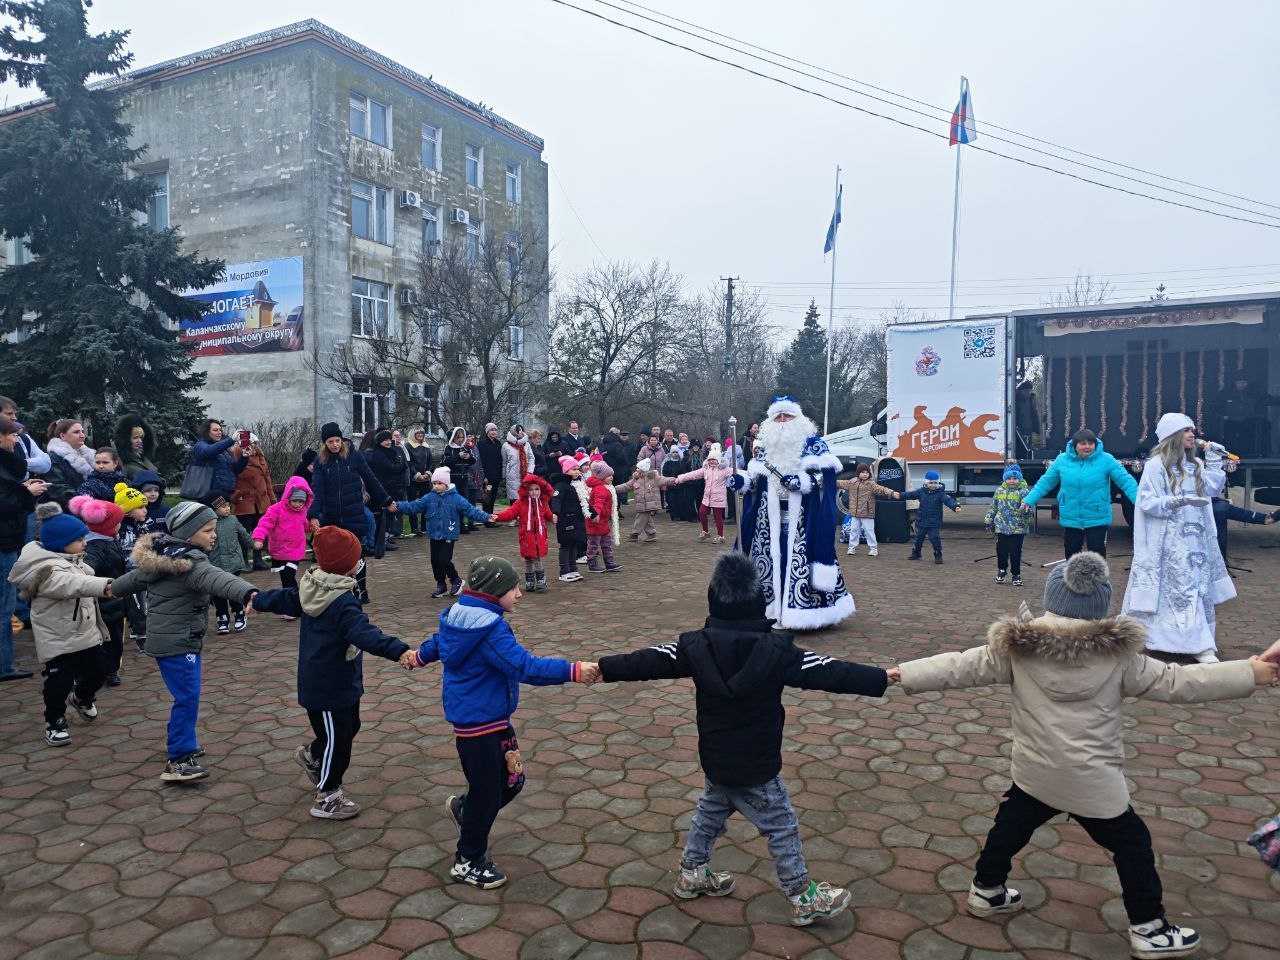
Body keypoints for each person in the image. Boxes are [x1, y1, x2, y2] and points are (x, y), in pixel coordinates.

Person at [894, 550, 1274, 960]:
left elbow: (960, 666)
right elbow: (1180, 681)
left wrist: (905, 673)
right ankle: (1149, 928)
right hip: (1094, 782)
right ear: (1100, 609)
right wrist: (1248, 672)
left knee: (1010, 826)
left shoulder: (1016, 647)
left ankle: (987, 890)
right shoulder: (1121, 657)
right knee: (1132, 845)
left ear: (1051, 601)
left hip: (1036, 772)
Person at [595, 552, 887, 926]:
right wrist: (881, 677)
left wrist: (602, 668)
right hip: (757, 762)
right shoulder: (778, 651)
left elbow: (646, 660)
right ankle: (801, 895)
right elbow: (831, 671)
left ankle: (692, 872)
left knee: (712, 809)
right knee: (780, 824)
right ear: (757, 602)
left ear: (714, 602)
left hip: (717, 755)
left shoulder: (693, 646)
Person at [403, 555, 598, 888]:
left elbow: (439, 642)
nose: (519, 594)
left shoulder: (456, 617)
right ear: (494, 592)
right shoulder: (490, 631)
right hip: (477, 725)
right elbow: (525, 667)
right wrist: (573, 671)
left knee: (511, 781)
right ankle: (467, 860)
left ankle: (468, 811)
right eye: (513, 588)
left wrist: (420, 656)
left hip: (492, 719)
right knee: (489, 792)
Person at [252, 525, 412, 820]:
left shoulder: (313, 585)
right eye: (357, 556)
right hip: (328, 685)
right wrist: (399, 650)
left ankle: (313, 755)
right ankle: (327, 795)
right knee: (339, 741)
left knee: (347, 729)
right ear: (346, 565)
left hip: (337, 681)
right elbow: (363, 633)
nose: (360, 560)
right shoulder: (342, 601)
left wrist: (258, 601)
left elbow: (284, 598)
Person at [110, 501, 259, 782]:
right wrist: (249, 592)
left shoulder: (164, 554)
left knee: (187, 694)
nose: (213, 535)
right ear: (187, 534)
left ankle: (182, 743)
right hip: (177, 642)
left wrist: (113, 588)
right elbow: (219, 579)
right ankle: (178, 759)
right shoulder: (191, 563)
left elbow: (135, 578)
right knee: (187, 697)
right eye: (207, 530)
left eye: (214, 529)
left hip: (172, 639)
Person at [728, 396, 852, 630]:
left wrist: (801, 483)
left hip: (804, 521)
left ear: (798, 418)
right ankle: (769, 610)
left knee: (798, 563)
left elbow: (826, 479)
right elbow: (755, 481)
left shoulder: (813, 445)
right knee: (771, 562)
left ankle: (806, 614)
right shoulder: (765, 448)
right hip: (768, 521)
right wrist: (741, 481)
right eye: (778, 416)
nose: (783, 421)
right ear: (771, 421)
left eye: (788, 416)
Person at [1122, 413, 1233, 663]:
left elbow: (1212, 488)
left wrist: (1214, 460)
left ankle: (1200, 640)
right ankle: (1168, 639)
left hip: (1196, 539)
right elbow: (1147, 502)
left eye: (1192, 430)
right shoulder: (1155, 465)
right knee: (1178, 587)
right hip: (1169, 541)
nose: (1192, 435)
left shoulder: (1195, 465)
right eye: (1185, 431)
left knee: (1196, 584)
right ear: (1172, 435)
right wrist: (1178, 501)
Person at [8, 510, 114, 747]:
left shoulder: (73, 560)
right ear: (61, 544)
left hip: (85, 634)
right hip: (58, 638)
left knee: (98, 672)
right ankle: (54, 721)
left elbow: (84, 575)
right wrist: (106, 585)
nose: (84, 543)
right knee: (58, 684)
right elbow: (72, 584)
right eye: (79, 540)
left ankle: (82, 698)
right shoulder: (46, 571)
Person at [1021, 428, 1138, 559]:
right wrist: (1028, 500)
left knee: (1097, 553)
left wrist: (1140, 502)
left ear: (1096, 444)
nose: (1087, 447)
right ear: (1075, 445)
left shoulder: (1107, 459)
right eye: (1083, 444)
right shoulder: (1061, 460)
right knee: (1071, 552)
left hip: (1097, 514)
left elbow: (1126, 481)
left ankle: (1098, 580)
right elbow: (1045, 483)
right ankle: (1072, 579)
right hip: (1071, 514)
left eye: (1091, 443)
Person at [308, 423, 389, 605]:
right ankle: (346, 590)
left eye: (337, 440)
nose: (335, 445)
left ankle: (362, 589)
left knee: (357, 554)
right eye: (330, 441)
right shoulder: (320, 461)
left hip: (353, 512)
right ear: (325, 443)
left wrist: (387, 500)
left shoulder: (354, 456)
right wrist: (313, 514)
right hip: (332, 515)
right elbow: (317, 489)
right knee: (339, 556)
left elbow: (371, 479)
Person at [391, 467, 491, 598]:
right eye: (434, 483)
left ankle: (456, 580)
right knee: (435, 561)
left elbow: (471, 510)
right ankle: (441, 585)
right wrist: (398, 505)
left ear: (447, 484)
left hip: (448, 534)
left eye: (439, 483)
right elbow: (414, 506)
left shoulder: (456, 499)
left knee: (444, 560)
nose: (436, 486)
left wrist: (486, 517)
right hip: (434, 534)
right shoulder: (429, 497)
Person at [0, 415, 46, 680]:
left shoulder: (9, 464)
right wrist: (26, 493)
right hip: (4, 541)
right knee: (4, 606)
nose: (17, 440)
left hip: (8, 538)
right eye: (12, 435)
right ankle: (4, 666)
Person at [69, 495, 127, 687]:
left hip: (113, 601)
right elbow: (87, 570)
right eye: (118, 522)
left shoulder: (109, 540)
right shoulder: (96, 546)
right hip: (103, 601)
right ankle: (101, 671)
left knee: (114, 639)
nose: (120, 525)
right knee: (106, 640)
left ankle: (110, 670)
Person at [491, 474, 555, 592]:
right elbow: (511, 513)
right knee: (528, 559)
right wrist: (498, 516)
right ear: (526, 490)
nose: (534, 492)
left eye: (536, 489)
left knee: (536, 558)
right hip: (526, 536)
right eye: (531, 489)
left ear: (541, 490)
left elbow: (547, 513)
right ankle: (530, 580)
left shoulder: (543, 502)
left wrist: (552, 518)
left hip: (539, 536)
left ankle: (540, 580)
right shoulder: (521, 503)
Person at [253, 476, 313, 597]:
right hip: (279, 550)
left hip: (295, 550)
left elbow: (304, 524)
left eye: (301, 501)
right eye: (295, 501)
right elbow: (265, 523)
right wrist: (259, 538)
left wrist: (311, 527)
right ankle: (288, 601)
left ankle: (294, 601)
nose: (298, 504)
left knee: (289, 575)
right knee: (285, 578)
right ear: (288, 497)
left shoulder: (303, 511)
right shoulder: (276, 509)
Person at [114, 483, 152, 652]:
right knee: (137, 606)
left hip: (145, 570)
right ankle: (141, 635)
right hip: (129, 573)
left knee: (146, 604)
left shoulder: (143, 525)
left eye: (145, 506)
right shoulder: (120, 530)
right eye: (140, 507)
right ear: (128, 511)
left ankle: (145, 631)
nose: (145, 510)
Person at [675, 444, 738, 544]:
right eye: (710, 459)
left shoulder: (725, 470)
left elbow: (738, 472)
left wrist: (752, 473)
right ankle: (705, 531)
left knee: (717, 517)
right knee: (702, 512)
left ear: (719, 460)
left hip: (719, 498)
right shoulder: (705, 469)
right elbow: (693, 474)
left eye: (714, 459)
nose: (711, 461)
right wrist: (680, 478)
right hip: (707, 497)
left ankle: (720, 536)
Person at [836, 462, 901, 557]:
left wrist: (892, 493)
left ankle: (873, 548)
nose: (865, 474)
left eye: (867, 472)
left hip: (867, 513)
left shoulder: (871, 484)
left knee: (869, 531)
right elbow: (841, 483)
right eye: (862, 472)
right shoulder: (852, 482)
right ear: (858, 473)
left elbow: (881, 489)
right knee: (854, 530)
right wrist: (829, 480)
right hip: (855, 513)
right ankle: (852, 547)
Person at [207, 496, 252, 636]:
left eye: (228, 505)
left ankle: (239, 613)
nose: (227, 509)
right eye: (223, 506)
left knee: (233, 589)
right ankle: (222, 617)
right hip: (216, 563)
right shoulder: (208, 524)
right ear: (214, 509)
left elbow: (243, 535)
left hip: (233, 563)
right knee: (218, 592)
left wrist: (254, 544)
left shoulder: (233, 520)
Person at [231, 435, 275, 570]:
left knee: (259, 532)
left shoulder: (260, 457)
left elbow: (267, 480)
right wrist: (235, 495)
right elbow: (231, 477)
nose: (254, 446)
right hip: (244, 502)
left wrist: (272, 499)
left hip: (261, 502)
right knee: (243, 533)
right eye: (251, 443)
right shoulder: (237, 457)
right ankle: (243, 561)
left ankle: (258, 560)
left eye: (255, 443)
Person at [1214, 369, 1278, 458]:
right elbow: (1216, 406)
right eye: (1239, 382)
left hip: (1251, 422)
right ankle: (1227, 453)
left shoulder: (1256, 392)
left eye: (1244, 382)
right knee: (1224, 428)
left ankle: (1264, 452)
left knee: (1265, 424)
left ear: (1248, 383)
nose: (1241, 384)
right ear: (1235, 382)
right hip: (1232, 422)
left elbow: (1269, 400)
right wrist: (1223, 416)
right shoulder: (1225, 393)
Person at [984, 465, 1031, 586]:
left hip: (1018, 528)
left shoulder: (1024, 491)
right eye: (1009, 478)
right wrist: (989, 519)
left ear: (1020, 479)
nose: (1012, 481)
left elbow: (1029, 510)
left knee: (1015, 552)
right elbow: (993, 506)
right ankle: (1002, 570)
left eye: (1015, 478)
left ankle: (1016, 574)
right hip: (1001, 527)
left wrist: (1025, 511)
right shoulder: (999, 491)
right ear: (1005, 479)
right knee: (1002, 551)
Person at [364, 429, 408, 557]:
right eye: (385, 440)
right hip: (381, 488)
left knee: (389, 515)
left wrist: (401, 467)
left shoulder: (393, 451)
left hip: (392, 487)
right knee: (380, 515)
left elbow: (401, 465)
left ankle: (385, 539)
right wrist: (400, 467)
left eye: (389, 439)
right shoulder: (375, 453)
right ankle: (379, 541)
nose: (388, 442)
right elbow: (389, 468)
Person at [902, 471, 960, 563]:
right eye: (931, 483)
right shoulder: (921, 492)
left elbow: (948, 500)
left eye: (935, 483)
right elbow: (910, 495)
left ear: (938, 483)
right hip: (921, 521)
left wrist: (955, 506)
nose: (933, 485)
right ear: (926, 483)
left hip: (934, 522)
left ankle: (938, 554)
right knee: (918, 539)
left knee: (934, 539)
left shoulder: (940, 493)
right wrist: (900, 495)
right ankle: (916, 552)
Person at [548, 456, 590, 581]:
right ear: (566, 472)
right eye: (573, 469)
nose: (577, 471)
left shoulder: (575, 485)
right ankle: (564, 571)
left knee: (574, 544)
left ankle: (573, 569)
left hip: (576, 519)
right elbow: (556, 499)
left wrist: (592, 513)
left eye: (578, 469)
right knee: (565, 545)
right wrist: (555, 513)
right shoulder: (561, 486)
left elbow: (584, 501)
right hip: (565, 519)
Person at [616, 457, 674, 543]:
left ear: (643, 469)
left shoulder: (654, 478)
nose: (636, 469)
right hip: (641, 504)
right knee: (646, 519)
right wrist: (614, 489)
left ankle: (634, 534)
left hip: (651, 503)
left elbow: (665, 480)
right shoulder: (636, 479)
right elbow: (626, 486)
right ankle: (651, 534)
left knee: (640, 518)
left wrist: (675, 480)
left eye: (638, 468)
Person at [191, 419, 249, 503]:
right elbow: (208, 451)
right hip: (208, 494)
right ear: (207, 432)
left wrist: (244, 457)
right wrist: (231, 440)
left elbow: (235, 470)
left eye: (220, 430)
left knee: (224, 516)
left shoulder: (225, 450)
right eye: (215, 430)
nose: (219, 432)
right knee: (214, 516)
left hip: (226, 494)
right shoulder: (200, 445)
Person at [44, 419, 94, 505]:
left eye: (82, 431)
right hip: (71, 507)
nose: (82, 435)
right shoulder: (53, 458)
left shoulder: (88, 454)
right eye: (76, 432)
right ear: (62, 436)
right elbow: (59, 488)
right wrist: (86, 503)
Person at [585, 462, 622, 573]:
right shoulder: (600, 489)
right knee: (593, 544)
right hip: (595, 522)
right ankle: (592, 563)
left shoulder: (605, 487)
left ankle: (609, 562)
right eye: (608, 475)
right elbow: (598, 503)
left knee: (606, 542)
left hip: (603, 521)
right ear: (601, 477)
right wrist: (596, 514)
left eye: (611, 475)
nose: (611, 477)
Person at [0, 397, 51, 476]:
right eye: (9, 414)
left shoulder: (23, 438)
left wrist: (19, 463)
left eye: (14, 414)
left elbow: (46, 464)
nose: (14, 418)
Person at [112, 413, 159, 482]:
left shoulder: (143, 459)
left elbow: (160, 477)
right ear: (126, 440)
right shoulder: (120, 462)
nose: (139, 441)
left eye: (141, 437)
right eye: (135, 438)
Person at [405, 428, 434, 537]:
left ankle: (425, 526)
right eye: (418, 433)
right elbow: (409, 463)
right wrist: (417, 475)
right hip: (413, 480)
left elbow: (431, 462)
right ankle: (414, 528)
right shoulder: (408, 446)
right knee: (413, 503)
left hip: (425, 479)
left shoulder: (426, 446)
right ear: (413, 434)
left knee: (426, 502)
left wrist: (427, 473)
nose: (421, 435)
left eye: (422, 433)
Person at [501, 425, 535, 503]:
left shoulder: (526, 444)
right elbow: (504, 462)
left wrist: (530, 471)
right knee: (514, 501)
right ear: (514, 431)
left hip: (525, 475)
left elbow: (531, 458)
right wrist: (504, 476)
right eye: (518, 430)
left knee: (525, 500)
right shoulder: (506, 445)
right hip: (512, 477)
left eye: (521, 430)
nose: (521, 432)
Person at [476, 423, 504, 514]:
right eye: (491, 430)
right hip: (487, 476)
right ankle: (487, 519)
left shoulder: (498, 443)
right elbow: (481, 461)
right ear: (487, 432)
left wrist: (500, 475)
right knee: (486, 498)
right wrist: (484, 476)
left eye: (495, 430)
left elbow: (500, 460)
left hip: (496, 475)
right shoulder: (482, 443)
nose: (494, 432)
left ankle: (491, 518)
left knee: (493, 498)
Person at [1014, 381, 1041, 459]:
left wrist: (1036, 428)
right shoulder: (1016, 398)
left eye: (1029, 391)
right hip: (1018, 428)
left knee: (1027, 447)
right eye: (1026, 391)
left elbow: (1034, 414)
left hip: (1028, 428)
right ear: (1021, 390)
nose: (1028, 393)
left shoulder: (1031, 399)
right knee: (1020, 447)